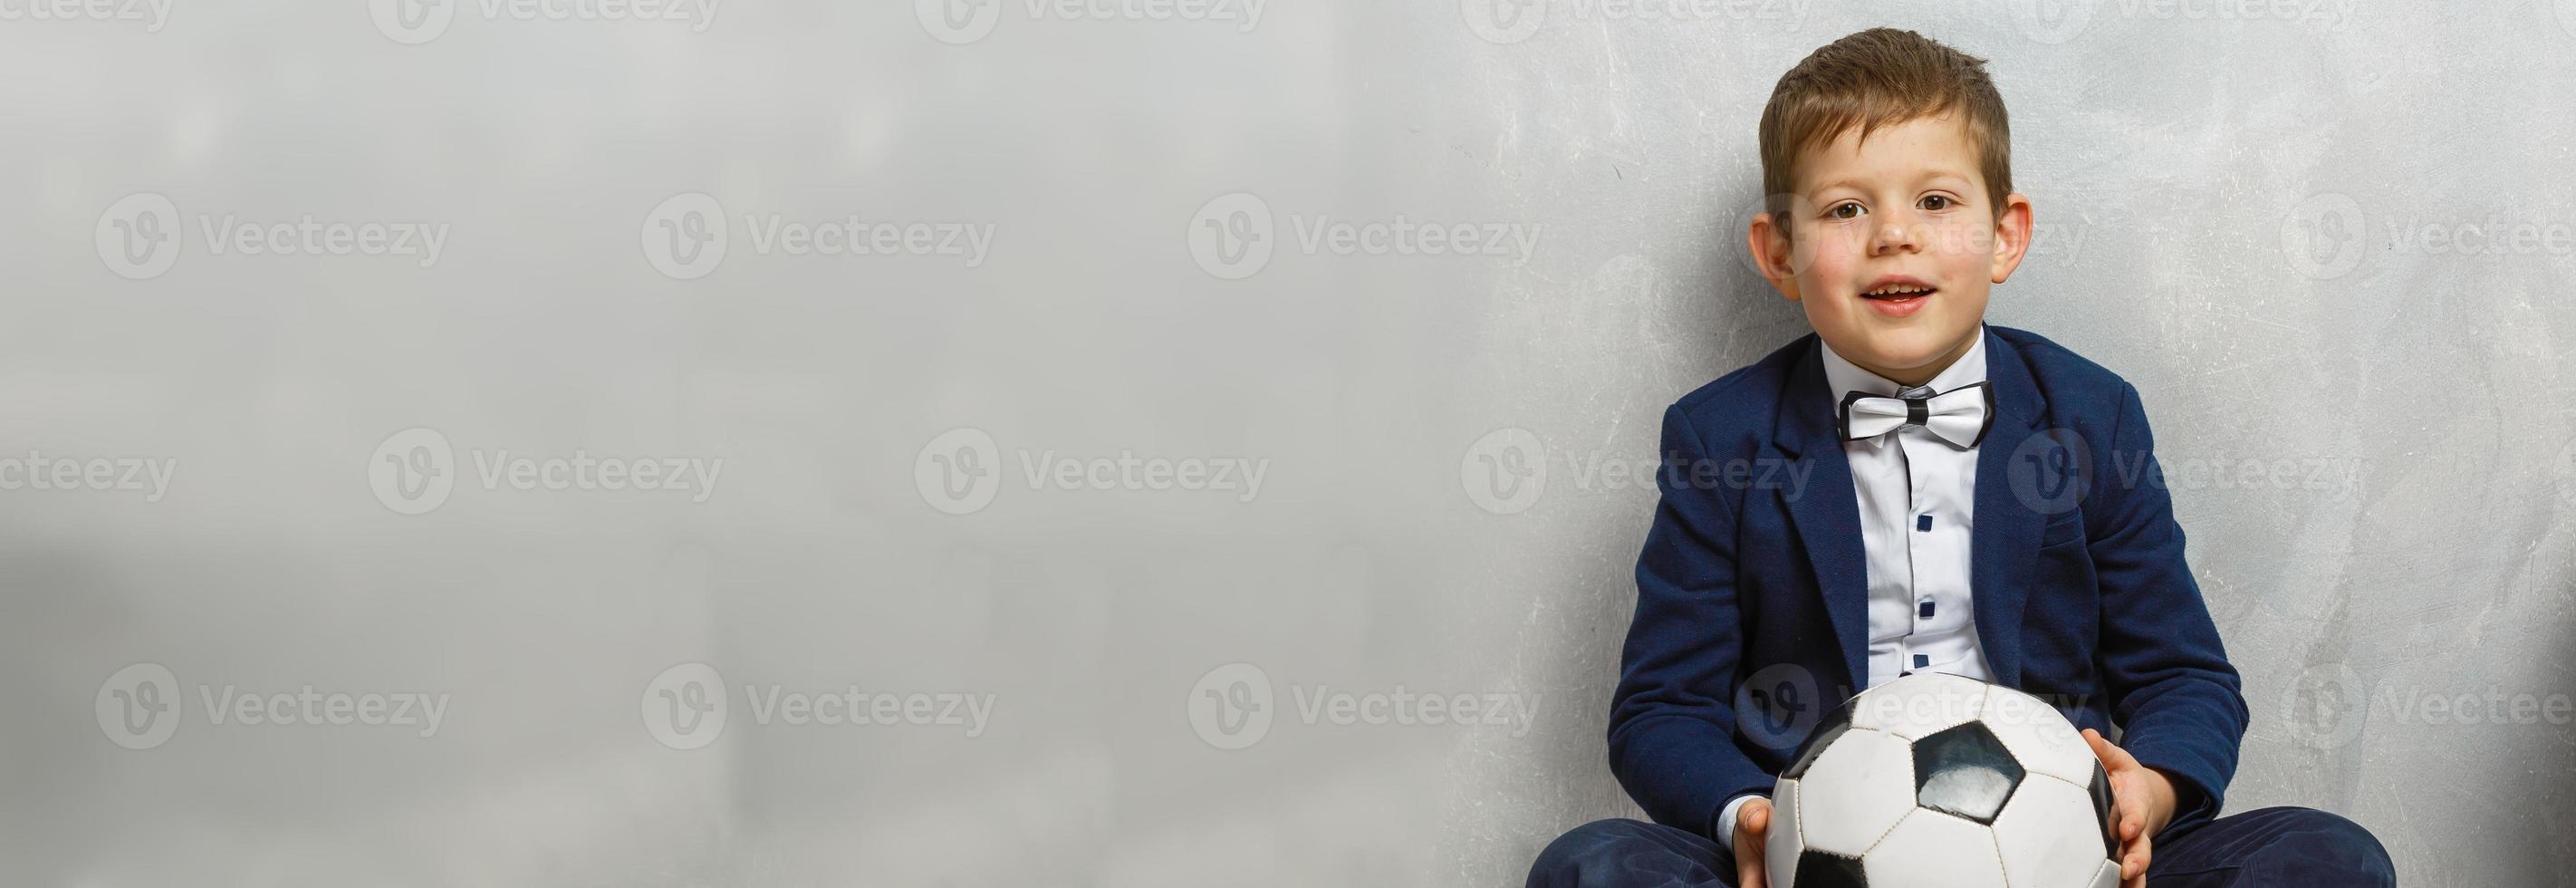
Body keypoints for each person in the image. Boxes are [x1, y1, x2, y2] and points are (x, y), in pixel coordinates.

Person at [1525, 27, 2395, 888]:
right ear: (1779, 252)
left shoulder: (2092, 415)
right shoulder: (1720, 438)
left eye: (1935, 202)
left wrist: (2153, 789)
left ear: (2005, 235)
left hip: (2058, 853)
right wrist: (1748, 818)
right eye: (1845, 208)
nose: (1892, 234)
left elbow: (2183, 674)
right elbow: (1662, 709)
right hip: (1814, 863)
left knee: (2329, 857)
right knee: (1592, 867)